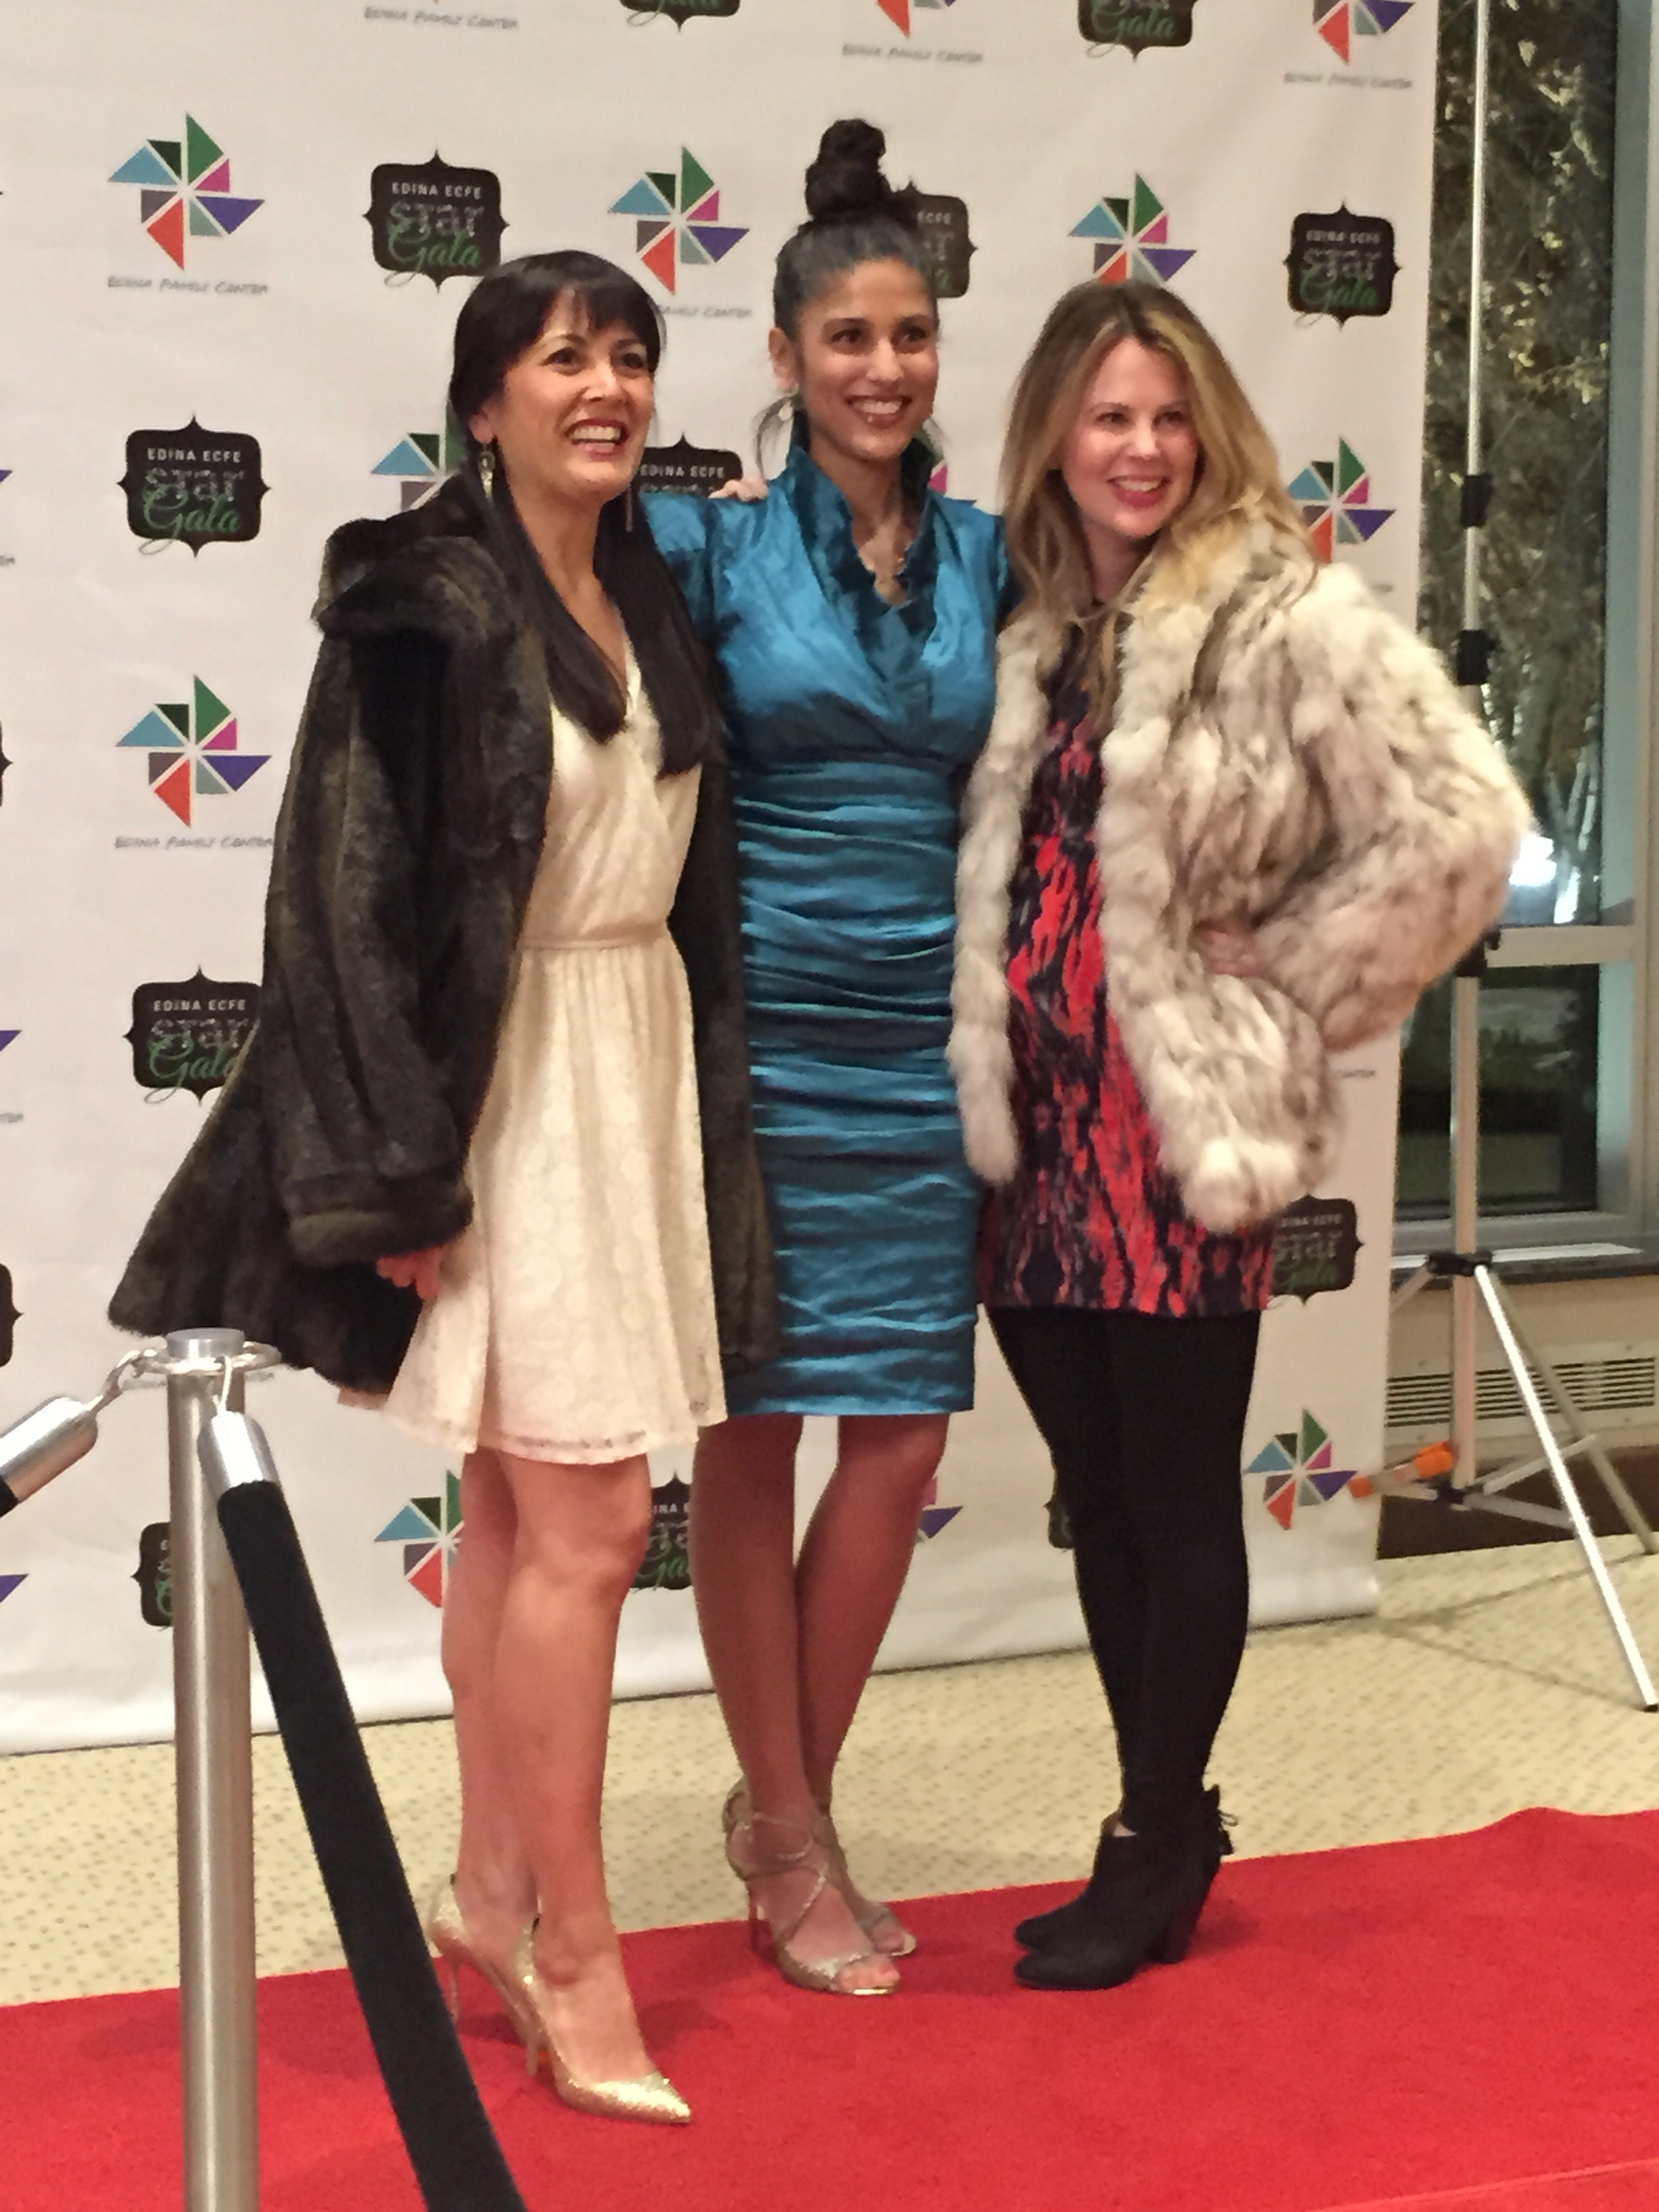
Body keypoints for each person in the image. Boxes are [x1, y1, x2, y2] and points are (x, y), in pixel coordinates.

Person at [109, 251, 777, 2119]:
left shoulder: (651, 589)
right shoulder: (419, 603)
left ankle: (491, 1892)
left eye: (631, 356)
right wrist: (399, 1175)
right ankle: (576, 1950)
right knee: (587, 1530)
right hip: (493, 1102)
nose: (607, 387)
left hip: (629, 1070)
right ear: (486, 403)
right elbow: (333, 905)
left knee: (514, 1517)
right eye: (564, 358)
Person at [949, 279, 1530, 1992]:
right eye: (1110, 417)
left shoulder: (1285, 611)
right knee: (1101, 1494)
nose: (1142, 449)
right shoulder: (1036, 620)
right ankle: (1170, 1821)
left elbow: (1462, 825)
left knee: (1181, 1491)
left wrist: (1296, 957)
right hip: (1033, 1125)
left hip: (1180, 1126)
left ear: (1210, 433)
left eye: (1169, 419)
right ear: (1056, 433)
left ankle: (1150, 1840)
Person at [647, 120, 1008, 1995]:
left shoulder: (992, 555)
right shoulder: (699, 544)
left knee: (903, 1440)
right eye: (848, 338)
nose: (884, 368)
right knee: (754, 1438)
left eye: (911, 334)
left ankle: (786, 1809)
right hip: (757, 1049)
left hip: (926, 1054)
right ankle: (793, 1837)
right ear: (784, 359)